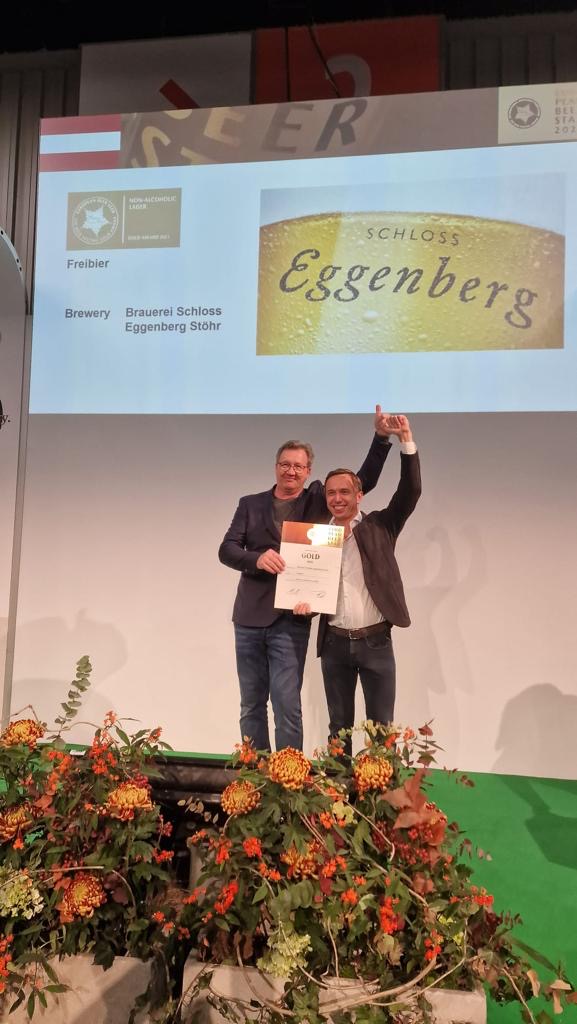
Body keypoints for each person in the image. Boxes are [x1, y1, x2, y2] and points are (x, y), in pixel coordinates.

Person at [218, 407, 394, 753]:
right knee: (251, 705)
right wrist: (256, 559)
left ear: (308, 471)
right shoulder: (250, 504)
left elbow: (362, 481)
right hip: (249, 620)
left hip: (291, 620)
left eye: (298, 466)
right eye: (285, 464)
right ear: (276, 467)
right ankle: (255, 770)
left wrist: (381, 438)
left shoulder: (316, 500)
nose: (291, 471)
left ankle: (288, 775)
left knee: (287, 707)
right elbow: (227, 550)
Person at [313, 415, 421, 756]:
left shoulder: (381, 525)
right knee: (338, 729)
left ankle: (380, 788)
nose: (337, 498)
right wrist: (301, 604)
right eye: (331, 493)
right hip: (334, 643)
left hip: (376, 642)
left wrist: (405, 440)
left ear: (359, 495)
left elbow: (410, 491)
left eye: (345, 491)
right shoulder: (316, 537)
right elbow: (306, 585)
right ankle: (339, 788)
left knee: (381, 730)